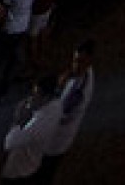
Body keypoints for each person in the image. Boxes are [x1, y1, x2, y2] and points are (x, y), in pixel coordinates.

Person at [38, 41, 96, 182]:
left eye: (80, 61)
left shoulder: (80, 92)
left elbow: (61, 114)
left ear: (89, 61)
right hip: (54, 135)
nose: (75, 65)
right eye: (75, 60)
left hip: (56, 139)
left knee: (43, 173)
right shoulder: (82, 74)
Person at [2, 75, 62, 182]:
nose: (32, 97)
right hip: (34, 163)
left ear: (46, 97)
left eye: (36, 94)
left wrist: (18, 118)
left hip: (18, 170)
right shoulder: (57, 105)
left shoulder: (36, 124)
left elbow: (8, 143)